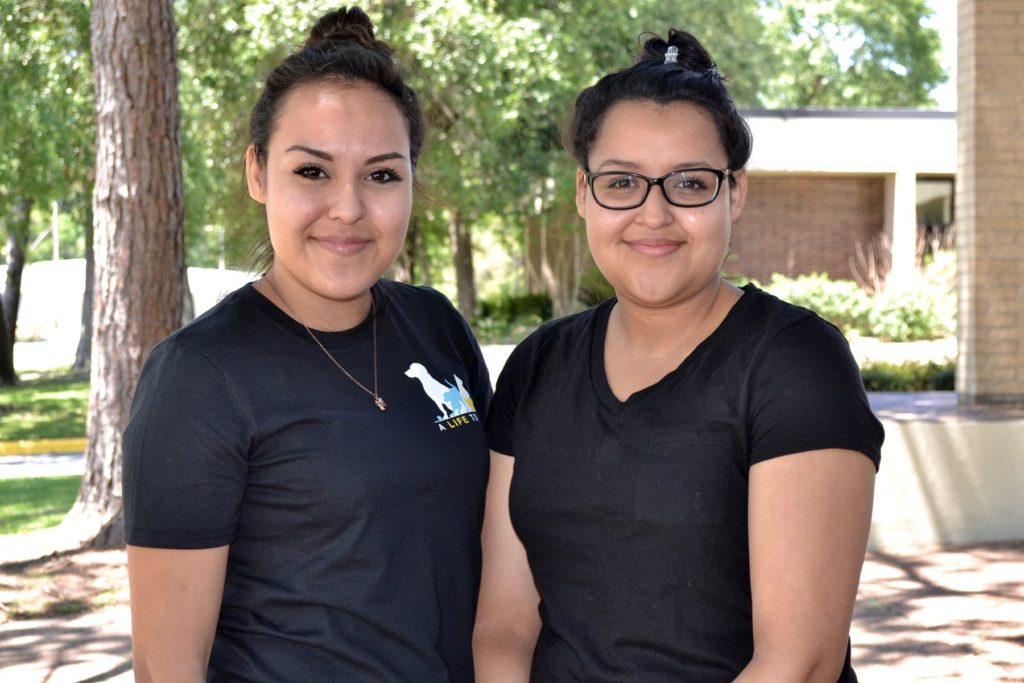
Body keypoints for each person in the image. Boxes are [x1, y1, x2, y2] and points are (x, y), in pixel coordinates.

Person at [473, 29, 884, 682]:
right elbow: (503, 627)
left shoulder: (794, 364)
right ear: (583, 193)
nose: (654, 213)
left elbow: (799, 661)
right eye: (621, 182)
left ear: (734, 193)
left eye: (689, 183)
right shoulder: (537, 365)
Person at [123, 7, 491, 680]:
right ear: (258, 173)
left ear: (412, 182)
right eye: (312, 172)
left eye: (381, 174)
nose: (347, 208)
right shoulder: (198, 376)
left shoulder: (438, 327)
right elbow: (166, 664)